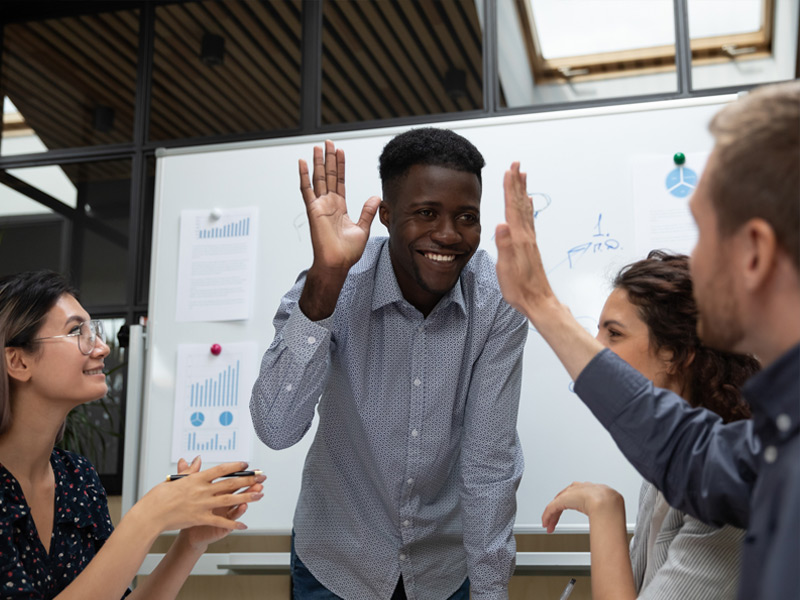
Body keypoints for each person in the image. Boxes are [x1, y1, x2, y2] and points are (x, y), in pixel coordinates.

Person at [494, 80, 800, 599]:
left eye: (702, 231)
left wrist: (542, 304)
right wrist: (540, 305)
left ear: (754, 250)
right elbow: (689, 453)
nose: (694, 261)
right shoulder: (775, 434)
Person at [250, 128, 527, 600]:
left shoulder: (498, 301)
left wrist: (489, 593)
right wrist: (326, 283)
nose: (448, 234)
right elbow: (276, 428)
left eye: (466, 217)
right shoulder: (334, 283)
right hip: (335, 565)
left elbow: (489, 464)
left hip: (445, 568)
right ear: (386, 215)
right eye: (426, 213)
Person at [0, 270, 266, 599]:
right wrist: (148, 515)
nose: (101, 348)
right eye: (76, 332)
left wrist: (189, 543)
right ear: (18, 361)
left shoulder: (77, 477)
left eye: (94, 331)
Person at [540, 251, 759, 600]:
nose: (597, 346)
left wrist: (604, 511)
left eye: (614, 333)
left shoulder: (725, 487)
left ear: (675, 353)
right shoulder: (670, 457)